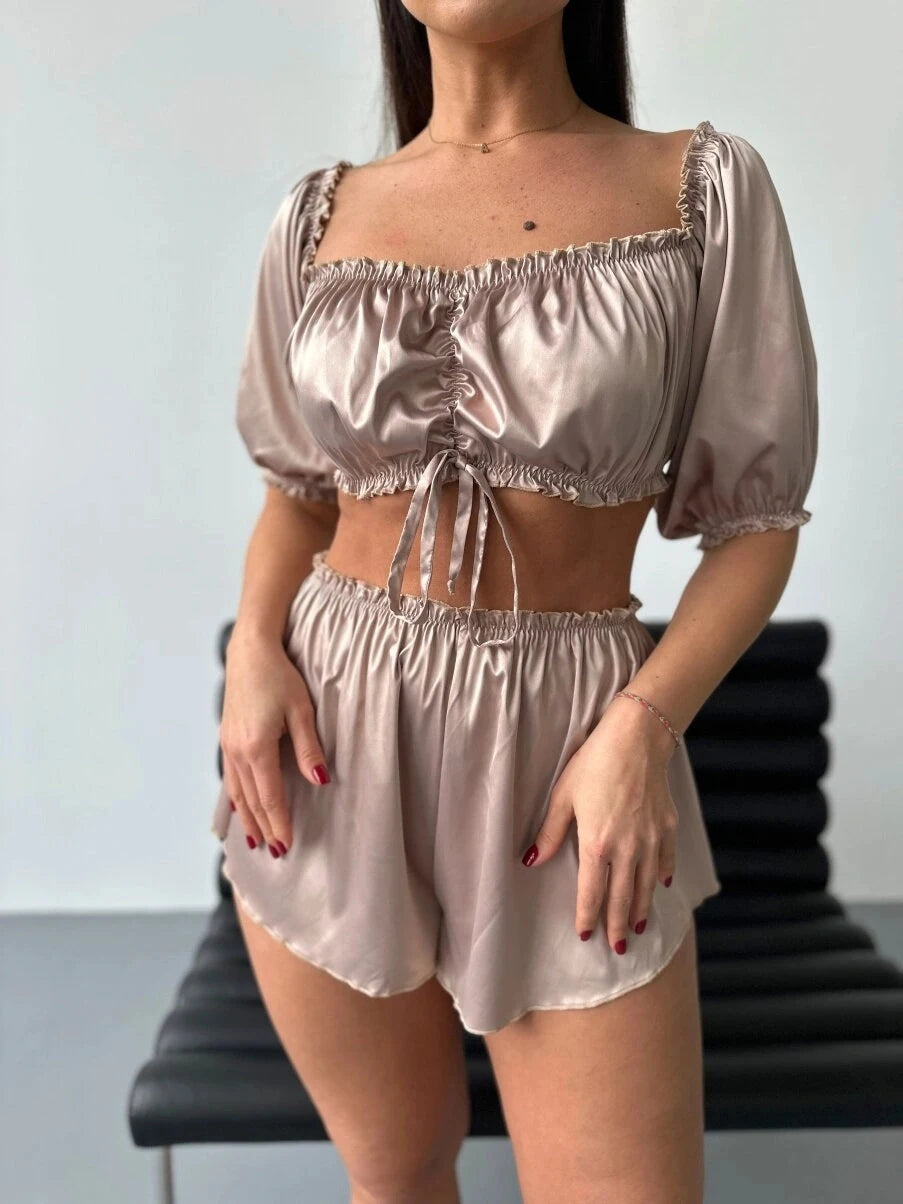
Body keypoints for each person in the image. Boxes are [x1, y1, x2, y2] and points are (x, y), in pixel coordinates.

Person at [210, 2, 818, 1200]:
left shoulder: (701, 190)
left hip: (570, 756)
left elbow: (757, 525)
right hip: (331, 748)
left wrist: (641, 729)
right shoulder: (318, 215)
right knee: (397, 1177)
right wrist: (252, 657)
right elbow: (298, 495)